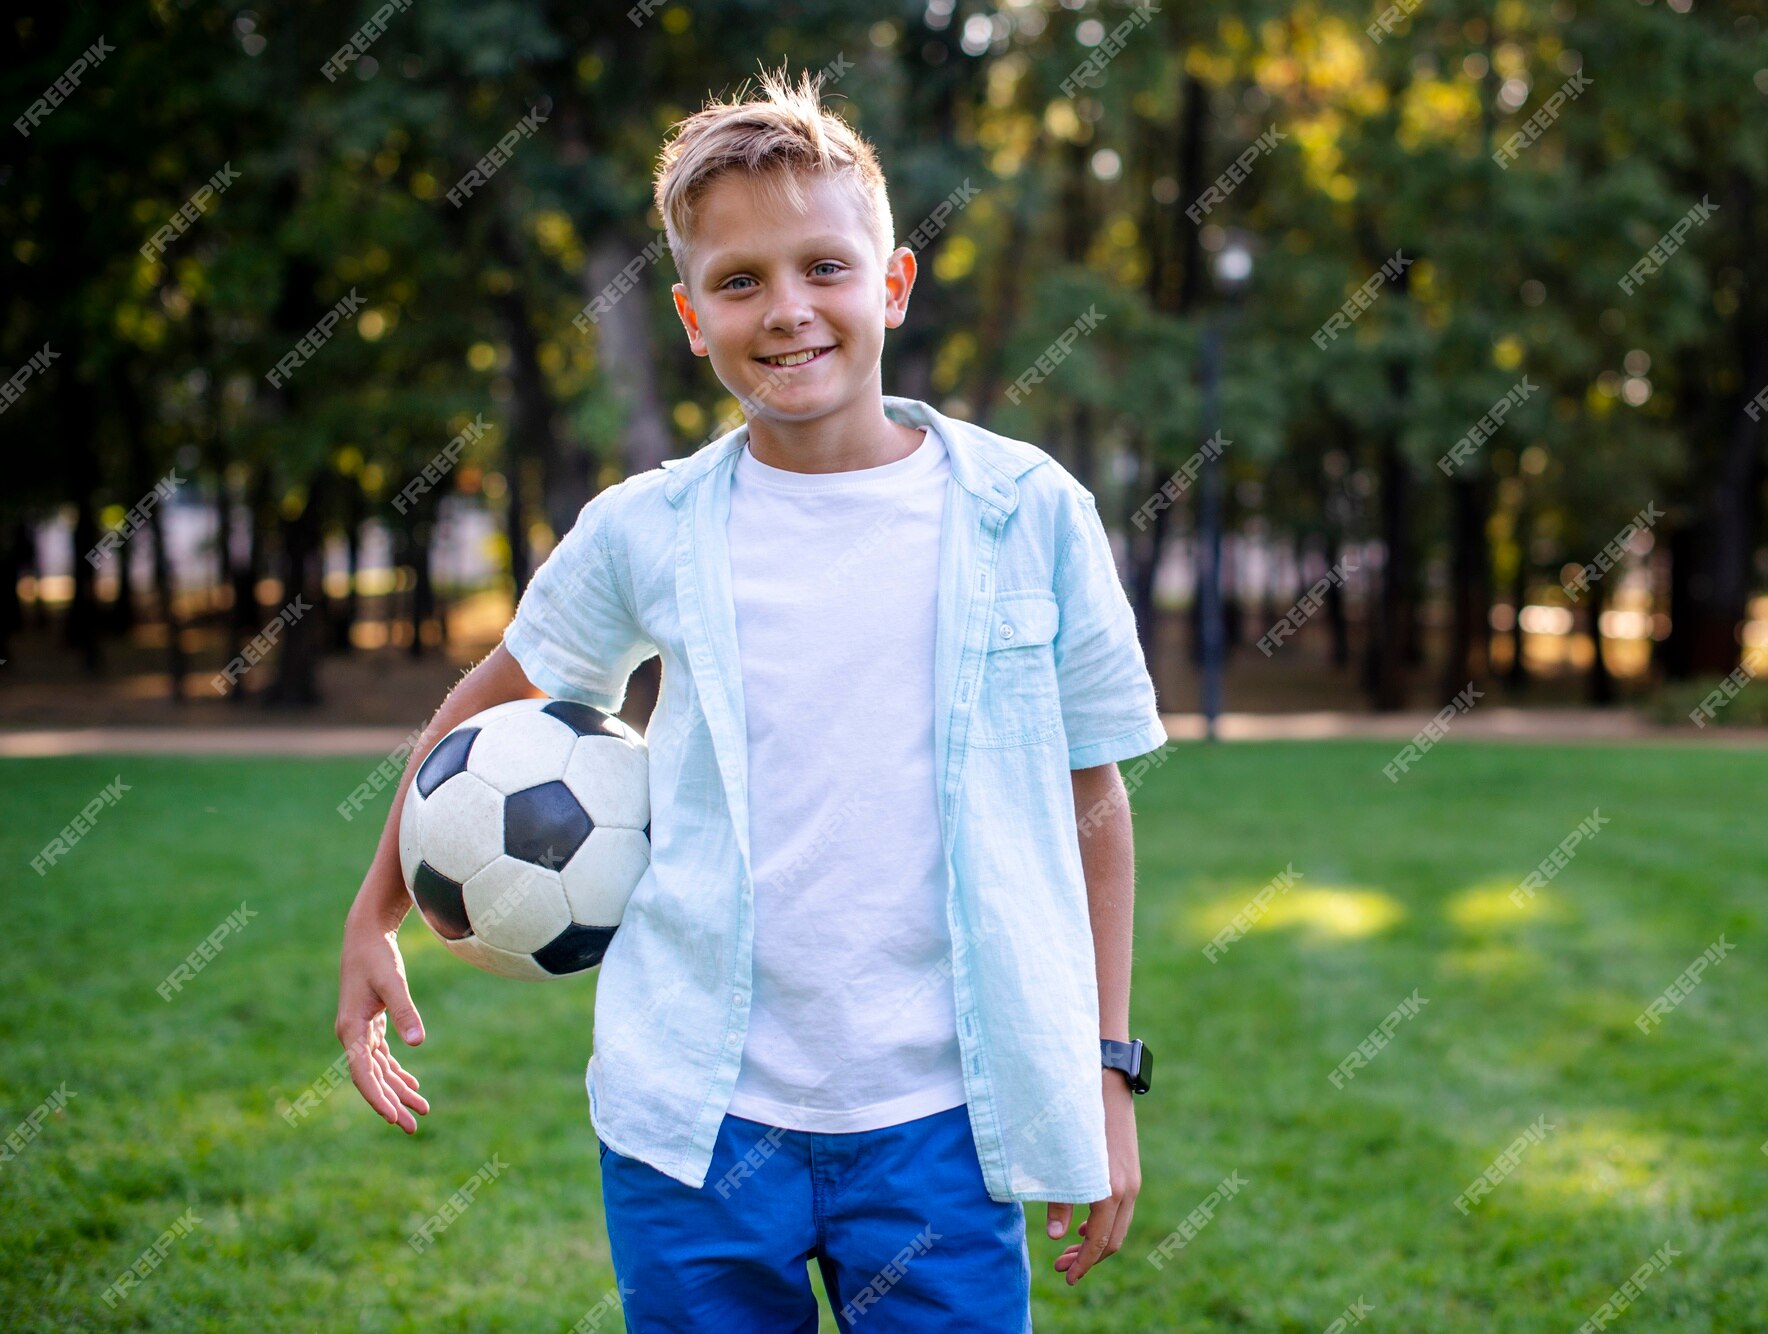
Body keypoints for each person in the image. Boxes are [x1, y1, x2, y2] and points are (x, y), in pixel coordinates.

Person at [335, 61, 1167, 1332]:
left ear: (891, 282)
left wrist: (1105, 1069)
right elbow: (482, 714)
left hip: (944, 1121)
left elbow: (1092, 803)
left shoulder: (1027, 512)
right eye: (739, 281)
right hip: (696, 1123)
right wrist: (372, 912)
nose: (787, 310)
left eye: (823, 267)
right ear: (688, 316)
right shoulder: (644, 531)